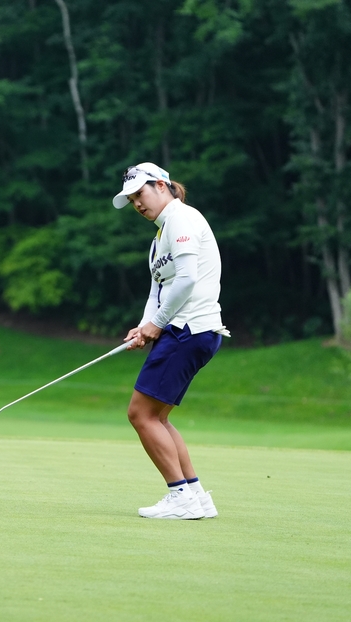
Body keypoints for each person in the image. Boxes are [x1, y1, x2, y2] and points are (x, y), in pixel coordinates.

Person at [112, 162, 230, 520]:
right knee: (157, 417)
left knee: (140, 414)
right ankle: (195, 495)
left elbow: (187, 281)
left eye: (140, 194)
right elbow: (159, 288)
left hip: (189, 329)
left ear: (161, 185)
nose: (137, 204)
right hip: (184, 330)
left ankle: (180, 497)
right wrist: (144, 326)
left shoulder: (181, 219)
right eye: (131, 199)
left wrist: (158, 324)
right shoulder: (160, 236)